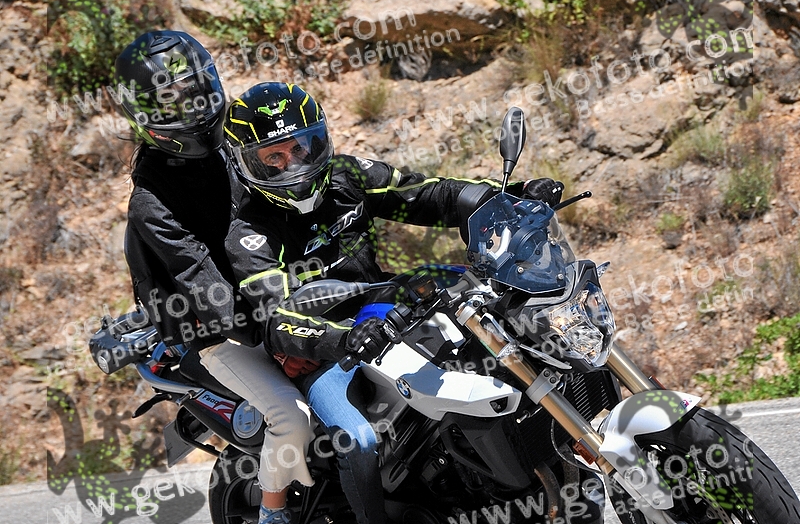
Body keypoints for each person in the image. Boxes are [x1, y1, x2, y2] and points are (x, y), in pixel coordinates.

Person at [222, 81, 563, 524]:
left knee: (496, 331)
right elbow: (274, 317)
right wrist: (343, 338)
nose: (294, 165)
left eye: (301, 147)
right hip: (326, 347)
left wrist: (511, 195)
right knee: (359, 439)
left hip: (387, 309)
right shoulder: (249, 232)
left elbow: (428, 196)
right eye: (274, 157)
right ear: (248, 163)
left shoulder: (347, 176)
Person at [115, 32, 315, 524]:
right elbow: (208, 289)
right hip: (219, 334)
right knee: (292, 418)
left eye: (196, 86)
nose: (190, 102)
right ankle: (272, 515)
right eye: (170, 95)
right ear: (144, 111)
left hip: (283, 301)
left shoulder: (235, 146)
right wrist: (282, 338)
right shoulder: (151, 204)